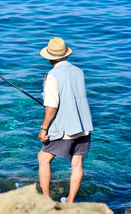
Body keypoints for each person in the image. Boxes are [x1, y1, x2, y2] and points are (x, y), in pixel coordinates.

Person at [37, 37, 93, 203]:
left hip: (65, 128)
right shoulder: (78, 71)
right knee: (77, 163)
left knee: (43, 158)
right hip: (84, 125)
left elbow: (52, 107)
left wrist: (44, 129)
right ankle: (70, 201)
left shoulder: (52, 76)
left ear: (49, 57)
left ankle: (46, 200)